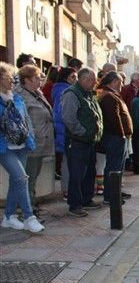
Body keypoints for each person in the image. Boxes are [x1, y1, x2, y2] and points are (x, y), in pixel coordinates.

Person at [0, 62, 44, 233]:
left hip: (22, 145)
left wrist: (30, 140)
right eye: (9, 78)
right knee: (21, 178)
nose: (12, 81)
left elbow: (27, 121)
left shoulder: (16, 98)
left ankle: (9, 216)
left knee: (16, 180)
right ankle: (28, 217)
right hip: (4, 148)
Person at [61, 67, 104, 217]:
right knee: (77, 173)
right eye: (93, 80)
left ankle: (86, 199)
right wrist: (83, 132)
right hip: (77, 141)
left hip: (89, 140)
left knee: (89, 171)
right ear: (85, 79)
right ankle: (75, 205)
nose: (95, 83)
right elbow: (69, 118)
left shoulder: (88, 94)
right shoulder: (72, 94)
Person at [15, 64, 55, 215]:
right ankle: (27, 210)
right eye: (37, 78)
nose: (40, 80)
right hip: (30, 143)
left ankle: (30, 205)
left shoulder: (37, 93)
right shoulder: (20, 95)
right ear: (27, 80)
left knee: (33, 176)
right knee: (28, 177)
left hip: (41, 142)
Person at [98, 71, 133, 204]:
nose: (122, 84)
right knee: (114, 167)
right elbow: (113, 119)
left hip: (118, 137)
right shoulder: (109, 97)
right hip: (115, 137)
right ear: (114, 82)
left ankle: (116, 191)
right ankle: (111, 195)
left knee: (118, 167)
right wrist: (122, 134)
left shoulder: (113, 95)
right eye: (121, 82)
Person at [52, 67, 78, 198]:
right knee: (68, 162)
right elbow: (61, 113)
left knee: (68, 161)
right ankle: (67, 189)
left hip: (65, 129)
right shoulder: (64, 91)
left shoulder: (64, 89)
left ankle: (68, 188)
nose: (75, 79)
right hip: (65, 130)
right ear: (66, 78)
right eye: (73, 77)